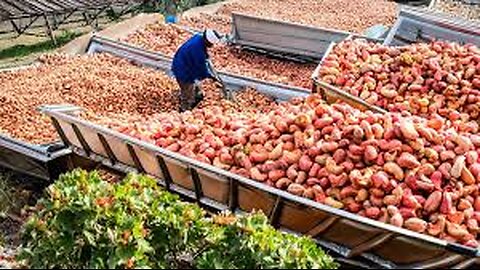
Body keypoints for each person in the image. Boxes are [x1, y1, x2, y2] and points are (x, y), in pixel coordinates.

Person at [172, 29, 224, 112]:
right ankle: (184, 111)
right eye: (211, 44)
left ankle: (195, 98)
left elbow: (203, 54)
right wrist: (209, 76)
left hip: (184, 64)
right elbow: (201, 68)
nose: (212, 46)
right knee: (188, 93)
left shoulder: (199, 38)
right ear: (207, 41)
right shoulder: (197, 50)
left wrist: (206, 56)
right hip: (182, 70)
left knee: (197, 91)